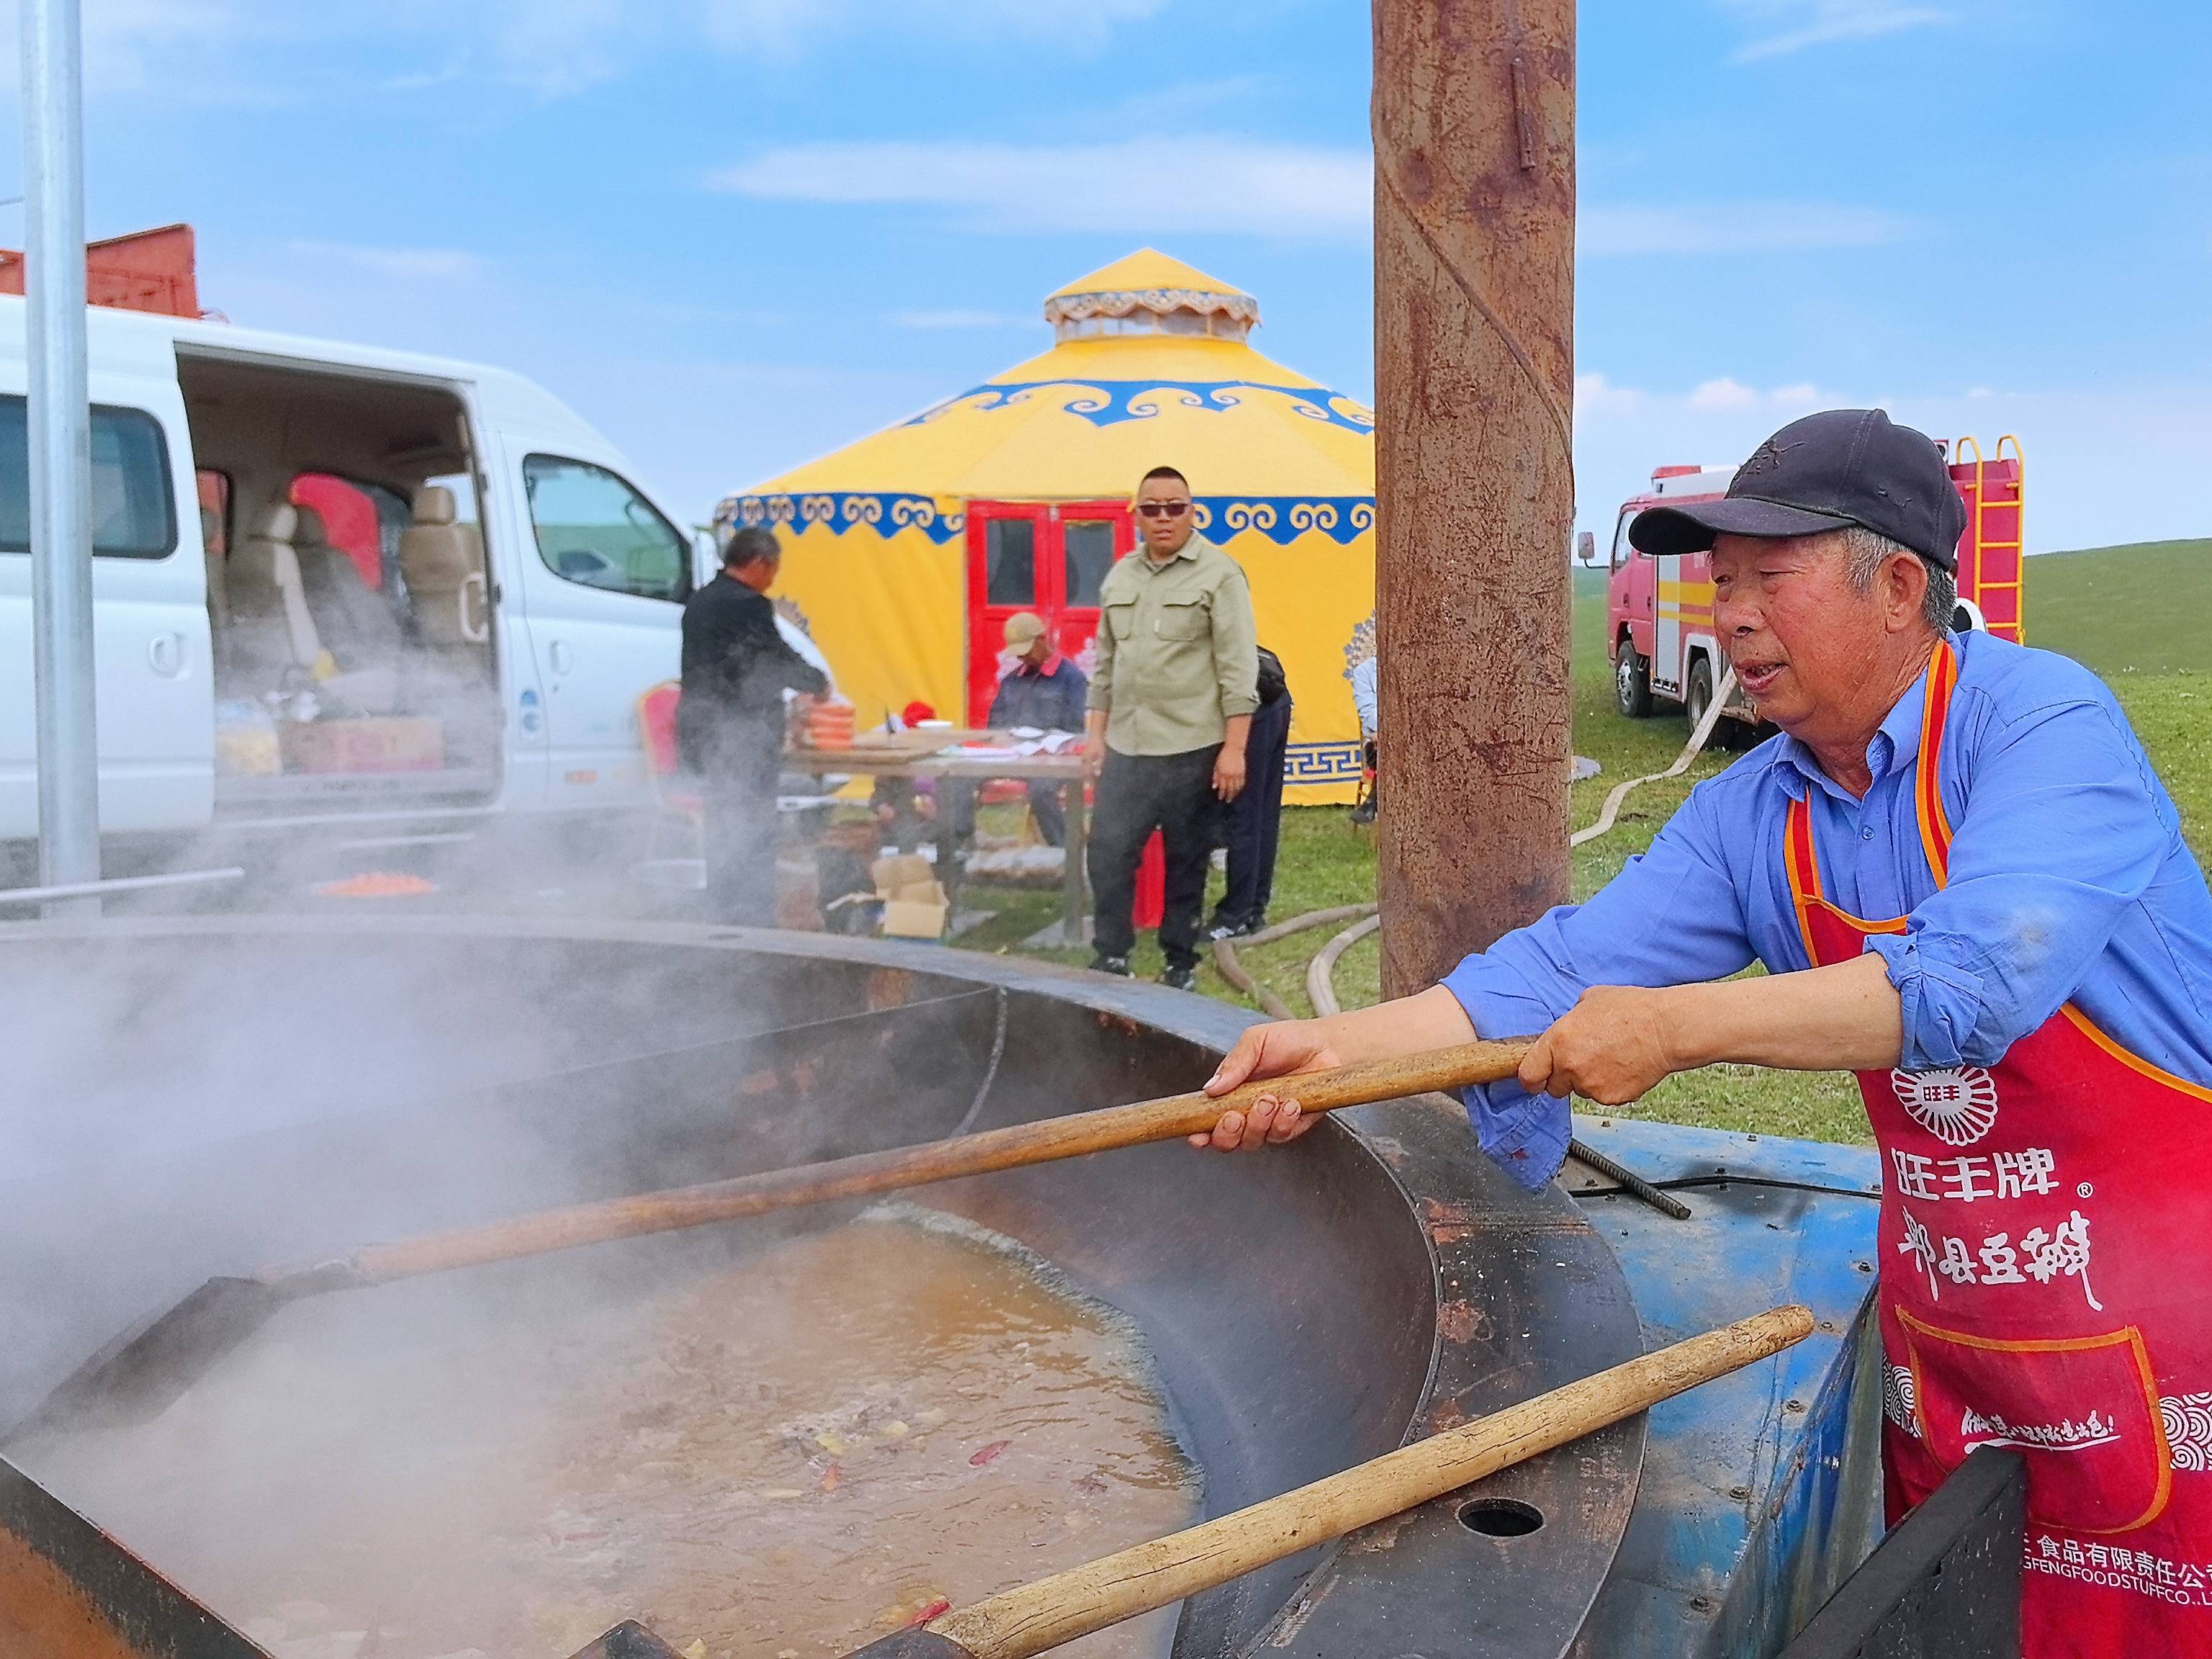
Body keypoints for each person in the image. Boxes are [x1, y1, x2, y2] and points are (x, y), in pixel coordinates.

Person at [1189, 408, 2212, 1658]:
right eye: (1717, 583)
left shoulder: (2041, 726)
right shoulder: (1754, 806)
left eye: (1766, 579)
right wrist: (1340, 1051)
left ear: (1897, 586)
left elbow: (1968, 985)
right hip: (1962, 1319)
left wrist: (1673, 1029)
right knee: (1961, 1617)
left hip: (2172, 1314)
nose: (1725, 616)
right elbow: (1560, 970)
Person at [1084, 464, 1259, 990]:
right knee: (1109, 853)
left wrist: (1235, 749)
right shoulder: (1120, 577)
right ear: (1136, 514)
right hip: (1127, 747)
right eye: (1151, 508)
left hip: (1192, 747)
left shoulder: (1219, 575)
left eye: (1174, 508)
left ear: (1192, 513)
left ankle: (1179, 964)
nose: (1163, 518)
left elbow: (1237, 668)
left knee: (1187, 862)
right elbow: (1104, 665)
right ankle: (1111, 955)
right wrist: (1095, 734)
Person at [678, 526, 827, 925]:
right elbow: (772, 660)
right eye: (774, 569)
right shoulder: (748, 606)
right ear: (760, 563)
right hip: (742, 737)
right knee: (754, 829)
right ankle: (753, 921)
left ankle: (722, 914)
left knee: (721, 826)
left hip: (703, 734)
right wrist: (817, 681)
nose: (773, 579)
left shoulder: (699, 602)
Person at [949, 612, 1089, 847]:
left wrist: (1045, 740)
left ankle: (1066, 853)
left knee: (1041, 791)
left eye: (1028, 650)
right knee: (960, 778)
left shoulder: (1072, 679)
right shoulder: (1012, 681)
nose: (1023, 657)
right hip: (1011, 755)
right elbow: (995, 723)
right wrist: (1006, 739)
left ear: (1042, 641)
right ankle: (961, 848)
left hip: (1050, 760)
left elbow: (1076, 727)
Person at [1208, 644, 1292, 939]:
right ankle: (1253, 908)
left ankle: (1237, 915)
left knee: (1244, 811)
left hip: (1251, 704)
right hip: (1269, 694)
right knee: (1260, 813)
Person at [1349, 651, 1380, 824]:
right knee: (1387, 748)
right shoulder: (1365, 672)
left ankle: (1372, 801)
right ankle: (1373, 801)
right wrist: (1389, 731)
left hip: (1413, 739)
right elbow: (1368, 711)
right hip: (1377, 741)